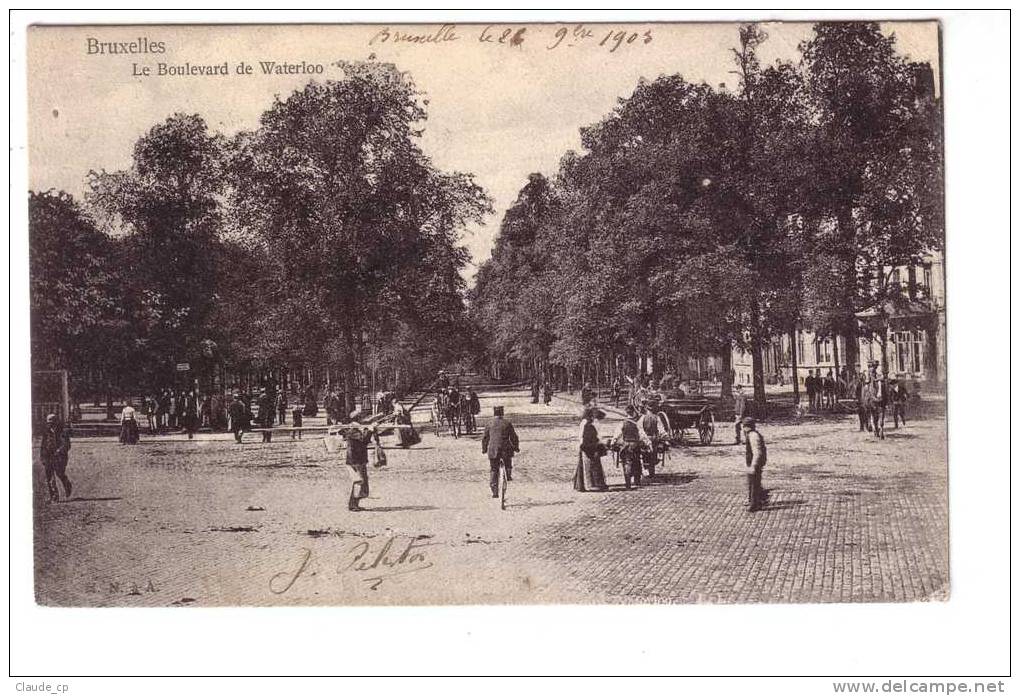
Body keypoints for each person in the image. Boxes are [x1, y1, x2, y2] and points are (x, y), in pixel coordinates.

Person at [481, 405, 520, 499]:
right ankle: (509, 474)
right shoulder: (507, 423)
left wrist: (484, 449)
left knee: (494, 469)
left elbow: (485, 438)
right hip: (505, 450)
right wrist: (516, 447)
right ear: (502, 413)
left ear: (494, 413)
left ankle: (494, 491)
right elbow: (514, 437)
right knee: (508, 463)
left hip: (493, 450)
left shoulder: (489, 423)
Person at [342, 415, 378, 512]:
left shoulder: (356, 429)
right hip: (355, 460)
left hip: (359, 459)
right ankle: (353, 505)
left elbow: (365, 440)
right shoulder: (352, 430)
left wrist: (371, 430)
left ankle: (355, 504)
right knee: (359, 481)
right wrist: (370, 430)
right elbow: (364, 439)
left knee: (361, 482)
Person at [613, 405, 649, 489]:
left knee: (626, 462)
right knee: (637, 462)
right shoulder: (637, 424)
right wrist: (648, 443)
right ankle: (637, 481)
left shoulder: (622, 423)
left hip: (625, 445)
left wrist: (613, 442)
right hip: (635, 445)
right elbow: (642, 435)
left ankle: (628, 483)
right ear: (633, 412)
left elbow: (617, 434)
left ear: (626, 413)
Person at [574, 407, 608, 492]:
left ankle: (586, 484)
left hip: (586, 445)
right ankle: (590, 484)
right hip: (587, 446)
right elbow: (585, 436)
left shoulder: (586, 423)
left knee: (587, 465)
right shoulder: (587, 424)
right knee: (590, 465)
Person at [40, 414, 72, 501]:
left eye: (52, 422)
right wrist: (42, 457)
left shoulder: (63, 431)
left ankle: (67, 484)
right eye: (49, 422)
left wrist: (59, 451)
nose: (50, 424)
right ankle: (54, 496)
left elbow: (67, 445)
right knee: (50, 476)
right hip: (48, 456)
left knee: (60, 473)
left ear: (56, 422)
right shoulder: (46, 432)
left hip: (60, 457)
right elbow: (43, 445)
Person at [741, 417, 768, 512]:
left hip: (755, 463)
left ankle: (754, 504)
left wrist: (753, 465)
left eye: (743, 426)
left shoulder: (753, 436)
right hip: (753, 462)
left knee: (754, 483)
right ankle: (758, 499)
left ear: (747, 427)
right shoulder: (752, 434)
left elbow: (757, 452)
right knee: (752, 482)